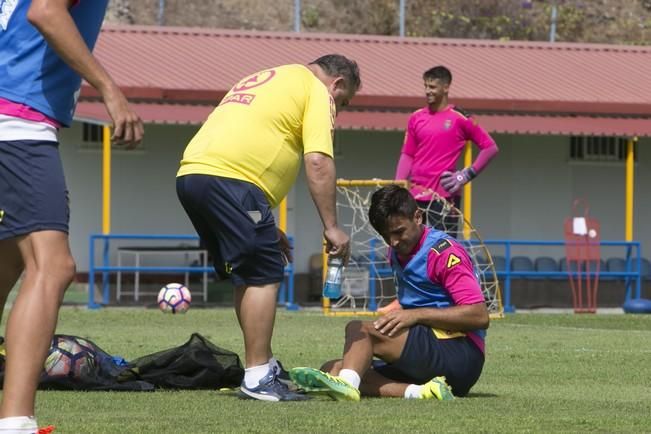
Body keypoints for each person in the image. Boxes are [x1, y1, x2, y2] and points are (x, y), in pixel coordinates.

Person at [176, 54, 361, 401]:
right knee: (264, 272)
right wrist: (332, 227)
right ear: (336, 84)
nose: (340, 108)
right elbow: (318, 161)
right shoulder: (317, 92)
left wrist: (262, 220)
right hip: (233, 181)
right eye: (344, 100)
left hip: (193, 176)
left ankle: (260, 366)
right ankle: (259, 378)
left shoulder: (268, 77)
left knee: (249, 271)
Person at [0, 0, 143, 432]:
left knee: (6, 261)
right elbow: (45, 11)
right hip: (16, 124)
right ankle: (17, 423)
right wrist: (111, 90)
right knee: (53, 266)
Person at [289, 185, 489, 401]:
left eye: (398, 231)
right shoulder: (397, 252)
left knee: (359, 330)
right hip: (431, 349)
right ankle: (422, 392)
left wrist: (414, 315)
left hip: (460, 353)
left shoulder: (444, 252)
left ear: (418, 217)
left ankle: (347, 387)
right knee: (334, 368)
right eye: (386, 235)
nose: (393, 241)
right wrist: (400, 308)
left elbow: (479, 315)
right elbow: (425, 296)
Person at [394, 65, 499, 235]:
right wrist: (398, 185)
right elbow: (407, 154)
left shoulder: (460, 118)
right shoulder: (416, 117)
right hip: (415, 197)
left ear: (446, 87)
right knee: (413, 252)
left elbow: (490, 148)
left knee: (442, 251)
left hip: (444, 200)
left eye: (433, 87)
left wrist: (465, 175)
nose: (428, 91)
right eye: (426, 86)